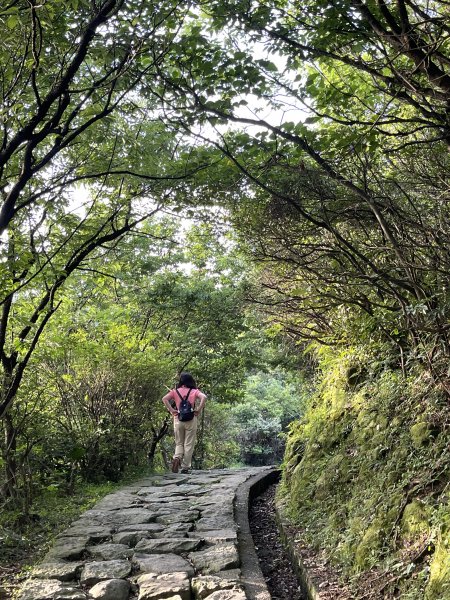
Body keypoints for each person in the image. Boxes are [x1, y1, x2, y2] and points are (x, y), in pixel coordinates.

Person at [162, 372, 206, 474]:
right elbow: (204, 397)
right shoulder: (194, 391)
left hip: (178, 418)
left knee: (179, 442)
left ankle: (177, 458)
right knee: (188, 443)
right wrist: (198, 409)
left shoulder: (175, 391)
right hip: (191, 418)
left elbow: (164, 399)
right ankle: (185, 467)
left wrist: (172, 410)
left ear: (181, 381)